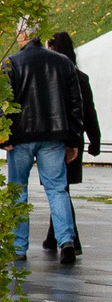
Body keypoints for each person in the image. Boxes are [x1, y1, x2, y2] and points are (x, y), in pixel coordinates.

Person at [5, 22, 84, 266]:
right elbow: (75, 105)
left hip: (20, 138)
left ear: (23, 35)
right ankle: (66, 241)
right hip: (53, 136)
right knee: (57, 189)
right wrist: (73, 140)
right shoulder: (63, 63)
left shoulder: (12, 63)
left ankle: (19, 246)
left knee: (18, 189)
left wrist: (2, 136)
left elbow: (3, 102)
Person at [46, 30, 98, 257]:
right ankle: (53, 235)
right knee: (59, 188)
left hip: (57, 139)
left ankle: (70, 238)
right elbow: (89, 112)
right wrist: (94, 140)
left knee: (59, 188)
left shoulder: (51, 79)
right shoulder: (80, 77)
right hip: (74, 138)